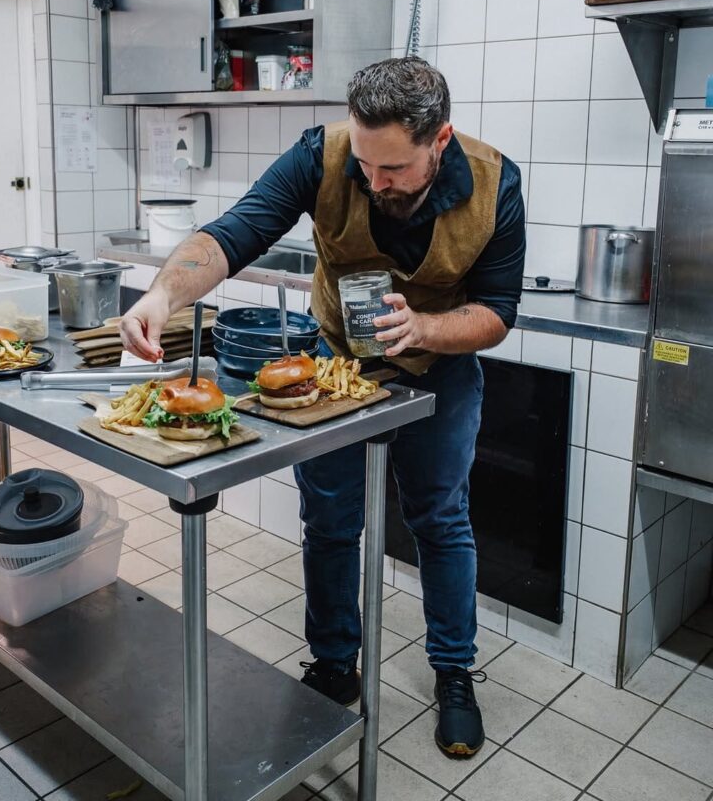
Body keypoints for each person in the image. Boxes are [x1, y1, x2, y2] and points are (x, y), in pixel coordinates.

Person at [120, 57, 525, 758]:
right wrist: (163, 295)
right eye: (366, 166)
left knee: (440, 519)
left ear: (440, 140)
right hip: (333, 371)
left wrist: (426, 329)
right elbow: (231, 233)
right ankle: (336, 664)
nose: (375, 181)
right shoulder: (323, 154)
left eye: (394, 168)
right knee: (331, 521)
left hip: (441, 370)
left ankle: (454, 674)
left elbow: (497, 313)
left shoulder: (495, 183)